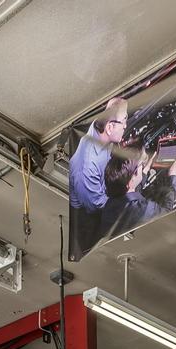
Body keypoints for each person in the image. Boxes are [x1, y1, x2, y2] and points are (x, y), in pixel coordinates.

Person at [70, 98, 129, 256]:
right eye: (124, 120)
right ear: (110, 127)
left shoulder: (102, 131)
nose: (126, 126)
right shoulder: (87, 165)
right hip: (89, 220)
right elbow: (97, 206)